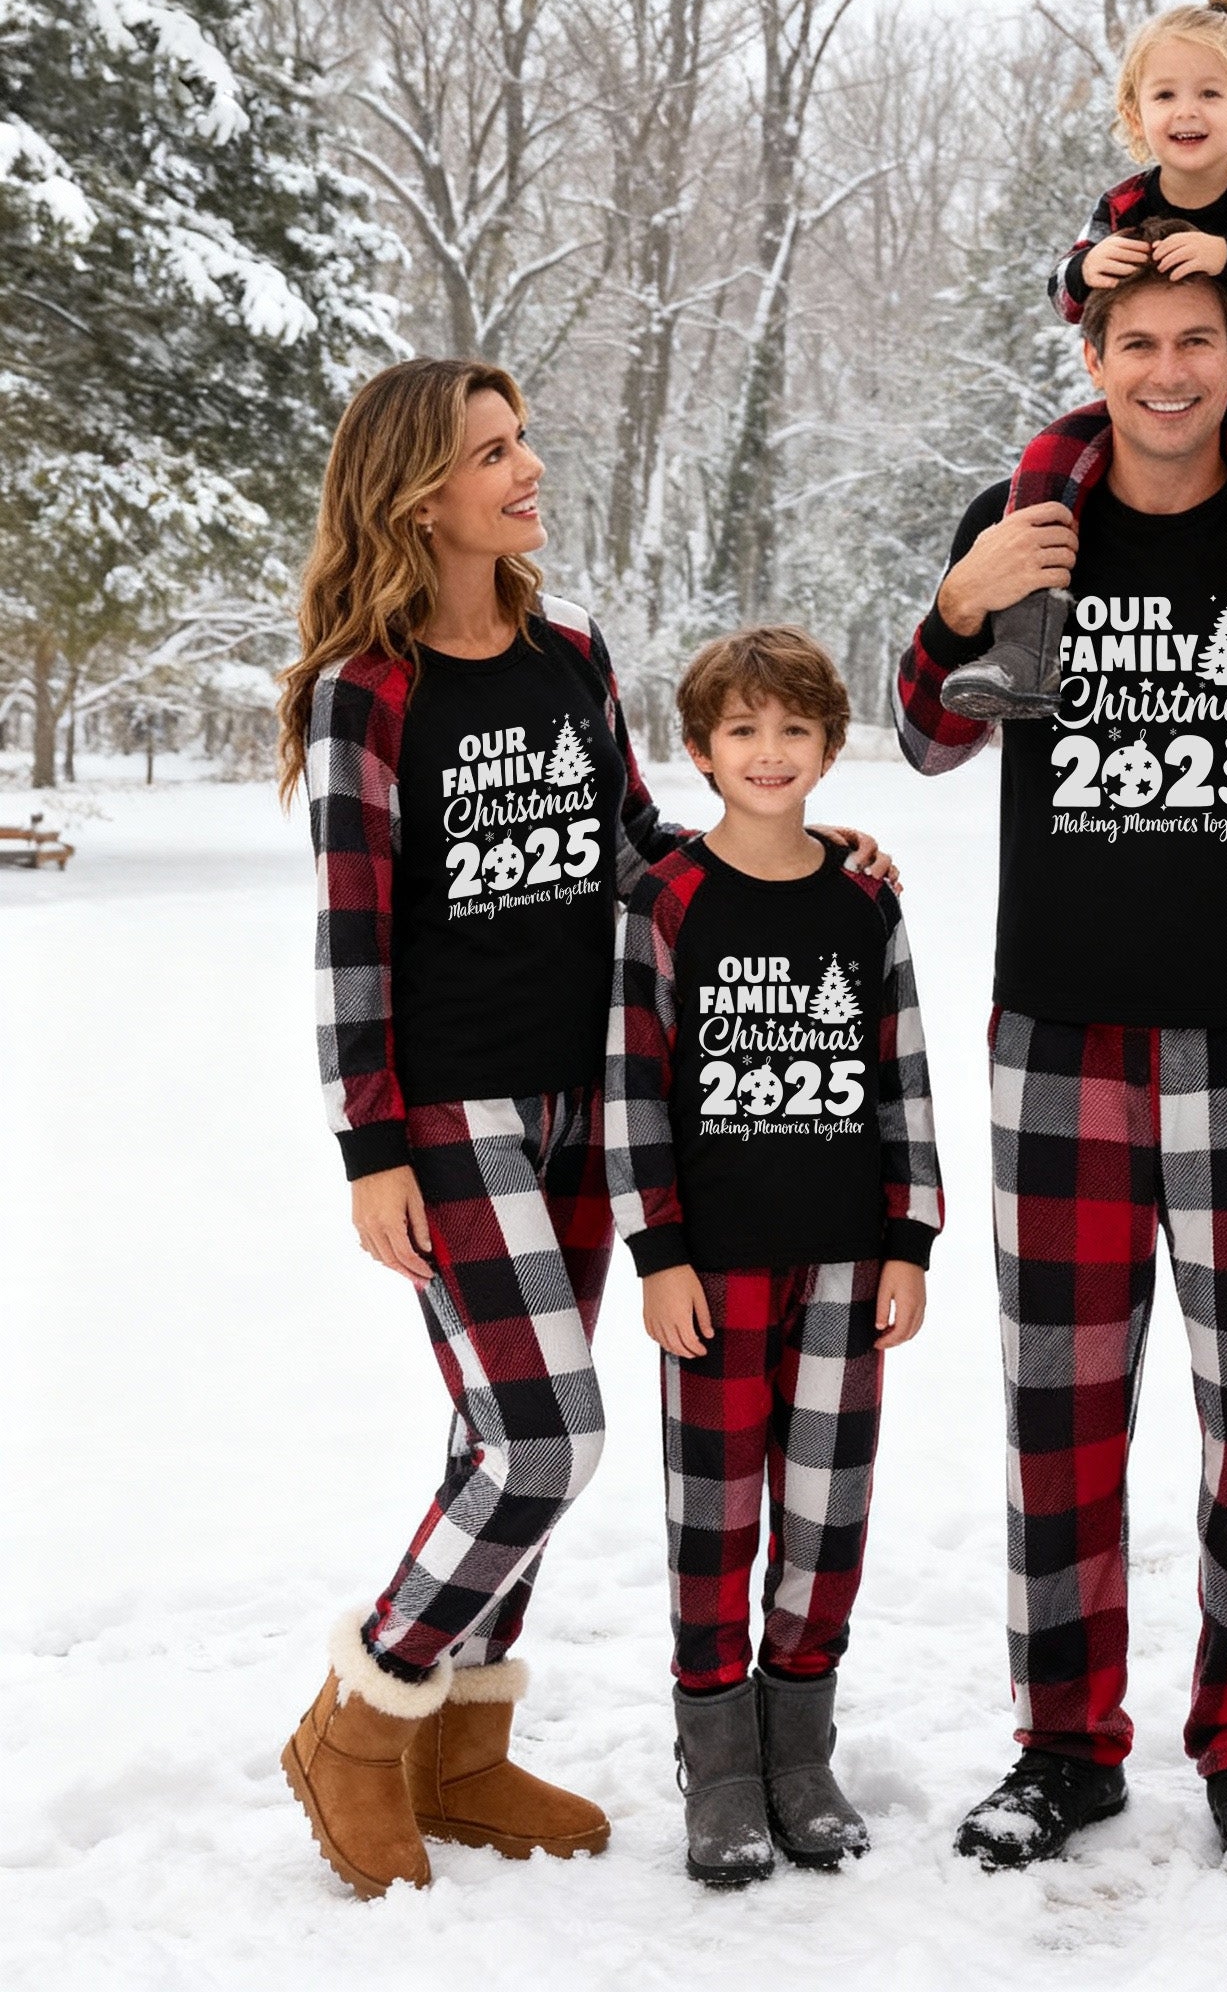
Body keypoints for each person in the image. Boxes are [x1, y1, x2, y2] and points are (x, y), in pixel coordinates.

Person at [273, 359, 890, 1901]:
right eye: (495, 451)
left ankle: (464, 1750)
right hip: (452, 1111)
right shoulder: (373, 688)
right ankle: (360, 1721)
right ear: (423, 493)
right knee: (550, 1438)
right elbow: (354, 931)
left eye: (522, 438)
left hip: (594, 1110)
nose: (527, 467)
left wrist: (785, 853)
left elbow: (631, 852)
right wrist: (372, 1149)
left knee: (500, 1435)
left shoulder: (569, 654)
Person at [896, 237, 1227, 1879]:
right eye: (1140, 344)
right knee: (1059, 1407)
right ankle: (1064, 1743)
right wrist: (952, 608)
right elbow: (925, 731)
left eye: (1200, 341)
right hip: (1056, 1030)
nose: (1170, 371)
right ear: (1094, 355)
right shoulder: (1021, 520)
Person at [605, 627, 943, 1886]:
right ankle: (721, 1763)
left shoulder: (865, 897)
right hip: (715, 1267)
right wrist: (659, 1250)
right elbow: (634, 1086)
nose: (767, 752)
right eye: (740, 731)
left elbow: (902, 1073)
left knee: (823, 1508)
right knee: (714, 1511)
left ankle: (799, 1744)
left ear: (827, 748)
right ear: (698, 752)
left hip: (847, 1261)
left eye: (791, 730)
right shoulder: (667, 903)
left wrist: (909, 1235)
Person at [940, 0, 1227, 757]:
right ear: (1135, 110)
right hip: (1142, 408)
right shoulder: (1121, 202)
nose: (1187, 111)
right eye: (1166, 94)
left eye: (1210, 93)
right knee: (1048, 456)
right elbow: (1062, 293)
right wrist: (1090, 267)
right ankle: (1026, 646)